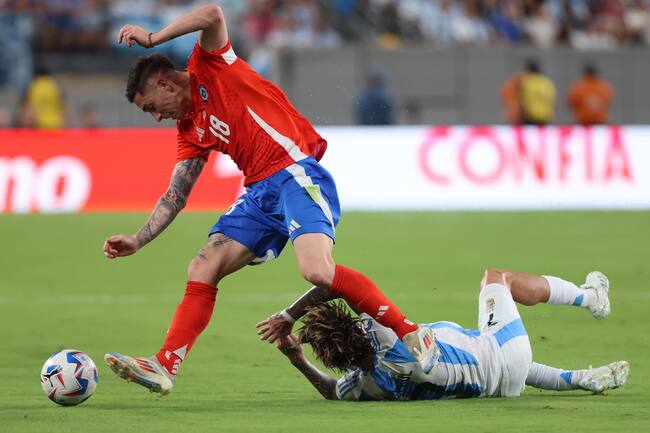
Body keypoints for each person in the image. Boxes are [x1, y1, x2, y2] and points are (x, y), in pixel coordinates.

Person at [102, 4, 437, 396]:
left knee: (317, 272)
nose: (156, 117)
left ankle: (412, 334)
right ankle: (165, 365)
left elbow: (212, 13)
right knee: (203, 264)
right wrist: (138, 239)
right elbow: (176, 195)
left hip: (296, 174)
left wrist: (154, 37)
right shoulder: (190, 128)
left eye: (150, 108)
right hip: (260, 194)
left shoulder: (210, 65)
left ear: (163, 84)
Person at [269, 269, 629, 400]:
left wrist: (297, 360)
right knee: (496, 278)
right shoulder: (383, 333)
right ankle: (590, 297)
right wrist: (291, 316)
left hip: (499, 388)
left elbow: (332, 391)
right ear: (352, 324)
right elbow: (337, 283)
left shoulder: (363, 386)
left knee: (502, 364)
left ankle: (580, 378)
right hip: (504, 352)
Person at [519, 59, 556, 125]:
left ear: (528, 70)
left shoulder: (528, 82)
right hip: (546, 117)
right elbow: (552, 98)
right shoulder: (546, 82)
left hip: (531, 117)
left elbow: (524, 100)